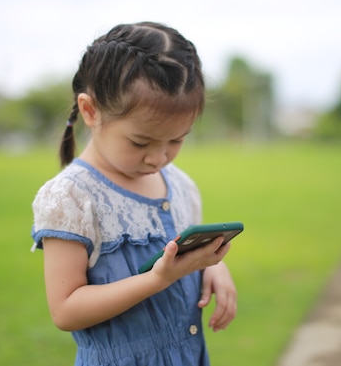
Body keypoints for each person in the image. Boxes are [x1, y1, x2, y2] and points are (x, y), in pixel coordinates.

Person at [30, 22, 237, 366]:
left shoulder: (181, 185)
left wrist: (211, 267)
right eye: (140, 142)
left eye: (176, 140)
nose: (159, 158)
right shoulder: (72, 198)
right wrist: (157, 279)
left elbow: (184, 256)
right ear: (90, 111)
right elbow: (66, 310)